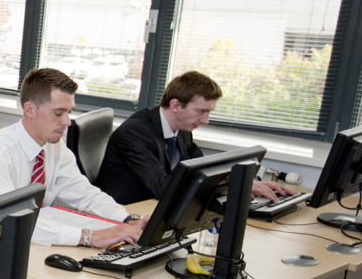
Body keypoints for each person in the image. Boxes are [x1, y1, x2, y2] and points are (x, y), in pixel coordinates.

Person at [0, 68, 144, 248]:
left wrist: (127, 219)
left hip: (23, 242)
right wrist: (89, 236)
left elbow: (83, 193)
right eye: (58, 113)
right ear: (29, 110)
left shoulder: (53, 146)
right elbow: (11, 221)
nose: (67, 122)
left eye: (69, 112)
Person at [97, 70, 296, 205]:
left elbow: (203, 167)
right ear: (175, 105)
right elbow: (162, 187)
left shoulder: (182, 127)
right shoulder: (135, 133)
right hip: (129, 211)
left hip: (157, 207)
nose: (206, 120)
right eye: (201, 111)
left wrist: (244, 180)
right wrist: (233, 187)